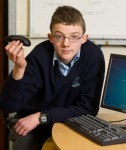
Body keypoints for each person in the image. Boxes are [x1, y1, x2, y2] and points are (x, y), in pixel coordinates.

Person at [0, 5, 105, 150]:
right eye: (59, 36)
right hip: (37, 127)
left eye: (74, 37)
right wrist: (19, 68)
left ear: (84, 39)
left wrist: (41, 116)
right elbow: (8, 106)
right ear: (50, 38)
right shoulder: (39, 56)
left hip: (69, 122)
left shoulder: (93, 56)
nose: (66, 44)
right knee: (23, 144)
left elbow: (88, 108)